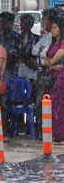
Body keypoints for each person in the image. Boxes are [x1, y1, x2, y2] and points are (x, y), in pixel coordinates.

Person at [33, 9, 54, 132]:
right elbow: (35, 50)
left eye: (44, 20)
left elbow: (45, 53)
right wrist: (41, 51)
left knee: (46, 100)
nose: (41, 23)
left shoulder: (53, 38)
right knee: (39, 100)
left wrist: (42, 51)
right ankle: (41, 126)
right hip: (41, 72)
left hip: (48, 72)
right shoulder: (45, 36)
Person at [45, 15, 64, 143]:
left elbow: (51, 61)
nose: (52, 30)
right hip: (52, 76)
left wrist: (50, 63)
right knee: (53, 105)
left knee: (59, 105)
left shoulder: (62, 44)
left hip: (60, 77)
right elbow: (46, 61)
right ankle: (55, 133)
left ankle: (60, 134)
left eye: (55, 28)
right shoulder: (53, 43)